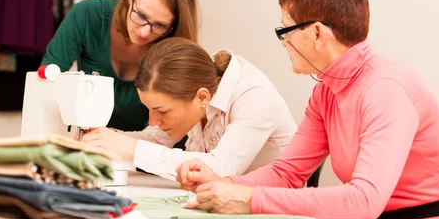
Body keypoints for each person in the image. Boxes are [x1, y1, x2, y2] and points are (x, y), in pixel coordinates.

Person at [175, 0, 439, 219]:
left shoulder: (387, 90)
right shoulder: (326, 91)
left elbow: (363, 201)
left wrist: (251, 200)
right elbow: (287, 173)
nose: (283, 43)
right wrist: (225, 184)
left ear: (317, 33)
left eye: (285, 31)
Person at [81, 37, 297, 179]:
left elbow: (220, 169)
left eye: (162, 111)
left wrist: (132, 148)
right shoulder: (197, 89)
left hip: (279, 216)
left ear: (201, 97)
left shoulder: (254, 98)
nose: (153, 120)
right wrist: (107, 140)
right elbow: (156, 139)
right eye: (150, 110)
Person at [42, 0, 199, 133]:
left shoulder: (173, 48)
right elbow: (47, 81)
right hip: (88, 140)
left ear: (173, 27)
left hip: (142, 147)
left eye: (160, 25)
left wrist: (127, 144)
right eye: (141, 15)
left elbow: (173, 131)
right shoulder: (88, 15)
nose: (145, 32)